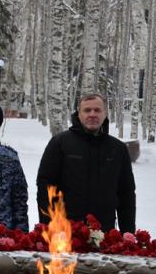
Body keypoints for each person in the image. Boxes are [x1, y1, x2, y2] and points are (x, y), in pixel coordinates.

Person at [36, 93, 136, 233]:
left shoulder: (117, 149)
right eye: (87, 110)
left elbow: (126, 194)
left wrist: (128, 233)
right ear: (79, 113)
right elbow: (45, 188)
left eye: (97, 110)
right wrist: (49, 227)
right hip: (67, 234)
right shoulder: (60, 143)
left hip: (105, 234)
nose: (92, 114)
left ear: (105, 113)